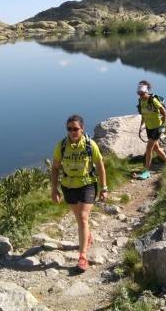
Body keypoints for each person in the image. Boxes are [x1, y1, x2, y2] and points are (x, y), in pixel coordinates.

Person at [50, 114, 108, 273]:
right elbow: (55, 168)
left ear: (82, 129)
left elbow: (100, 165)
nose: (72, 132)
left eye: (75, 129)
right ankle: (87, 236)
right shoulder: (61, 146)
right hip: (68, 186)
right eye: (69, 129)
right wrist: (54, 189)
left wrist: (104, 188)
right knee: (79, 219)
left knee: (83, 217)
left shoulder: (90, 145)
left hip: (87, 184)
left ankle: (82, 256)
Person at [136, 80, 166, 178]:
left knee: (149, 148)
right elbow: (143, 114)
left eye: (142, 94)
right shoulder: (141, 101)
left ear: (146, 91)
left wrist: (163, 124)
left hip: (157, 127)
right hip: (149, 127)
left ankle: (147, 171)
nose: (141, 96)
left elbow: (164, 112)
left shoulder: (153, 100)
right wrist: (141, 126)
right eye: (139, 94)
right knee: (156, 148)